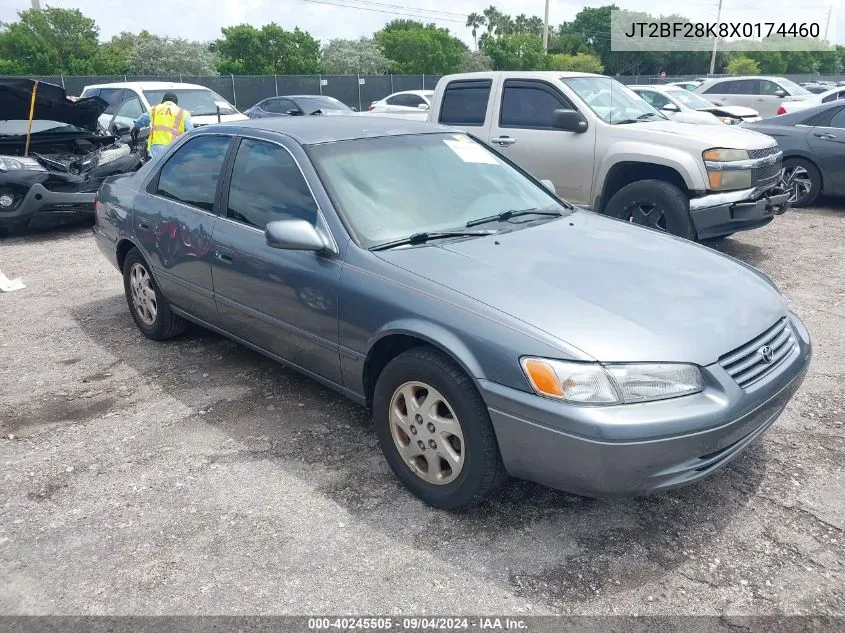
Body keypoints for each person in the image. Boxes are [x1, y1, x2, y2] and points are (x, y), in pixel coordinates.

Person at [132, 92, 193, 159]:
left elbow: (142, 120)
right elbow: (190, 131)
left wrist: (136, 127)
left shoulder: (155, 109)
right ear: (176, 103)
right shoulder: (183, 112)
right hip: (174, 148)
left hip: (155, 149)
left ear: (163, 101)